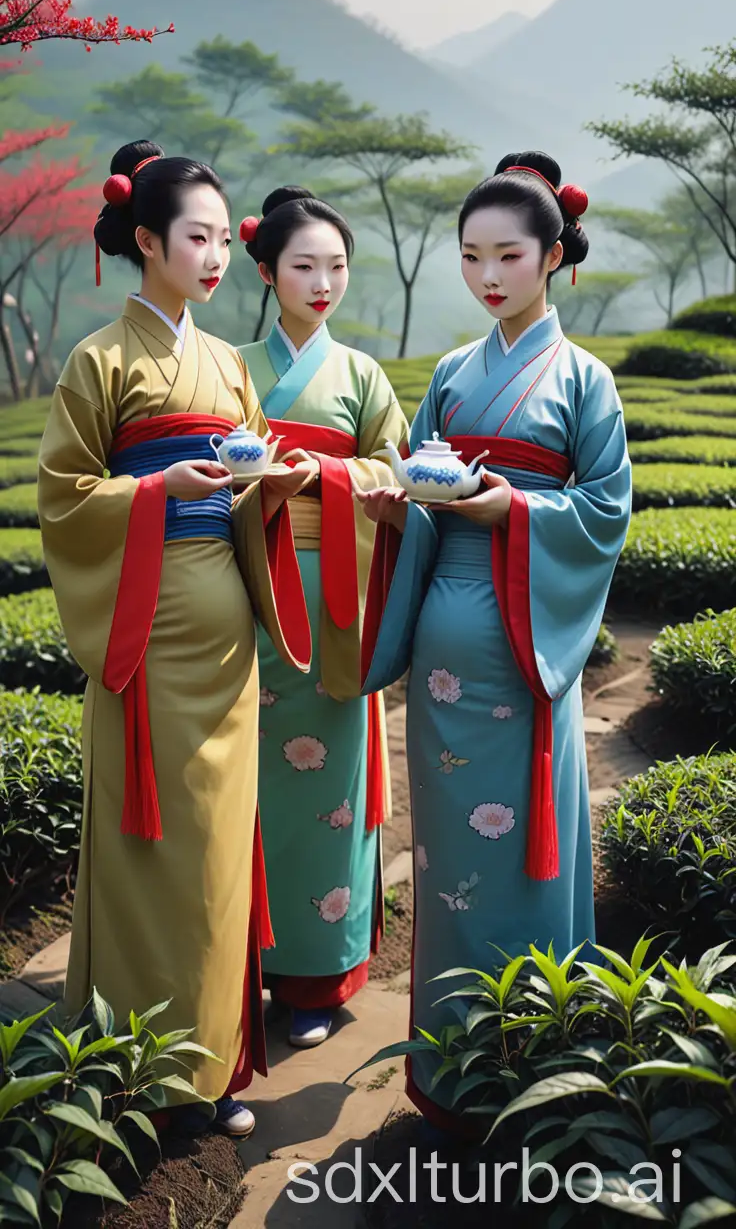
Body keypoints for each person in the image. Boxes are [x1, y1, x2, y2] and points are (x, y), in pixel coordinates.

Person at [37, 141, 315, 1138]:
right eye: (194, 236)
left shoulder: (226, 365)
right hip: (143, 635)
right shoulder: (98, 360)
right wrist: (159, 487)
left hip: (225, 638)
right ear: (146, 241)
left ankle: (211, 1063)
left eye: (219, 238)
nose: (213, 255)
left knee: (214, 852)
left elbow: (245, 487)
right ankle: (136, 1066)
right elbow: (65, 500)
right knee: (151, 846)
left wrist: (265, 490)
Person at [356, 152, 632, 1131]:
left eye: (508, 254)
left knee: (523, 848)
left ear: (552, 256)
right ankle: (452, 1066)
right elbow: (425, 488)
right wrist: (404, 503)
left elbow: (603, 512)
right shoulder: (449, 373)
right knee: (444, 861)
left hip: (527, 646)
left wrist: (506, 500)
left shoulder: (585, 380)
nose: (487, 275)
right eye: (470, 256)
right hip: (444, 646)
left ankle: (531, 1061)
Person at [237, 187, 409, 1049]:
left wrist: (325, 478)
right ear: (265, 271)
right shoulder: (230, 365)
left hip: (336, 595)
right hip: (249, 593)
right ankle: (240, 970)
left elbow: (393, 468)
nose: (322, 281)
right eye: (303, 265)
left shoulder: (363, 375)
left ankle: (316, 978)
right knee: (247, 790)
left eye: (337, 266)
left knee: (331, 788)